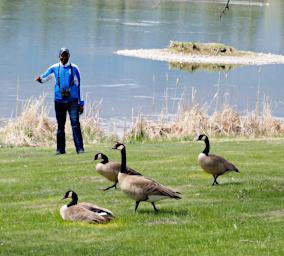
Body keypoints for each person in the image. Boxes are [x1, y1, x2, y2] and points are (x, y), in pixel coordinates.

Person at [35, 48, 84, 155]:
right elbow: (45, 77)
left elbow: (79, 85)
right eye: (62, 55)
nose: (63, 58)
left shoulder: (75, 68)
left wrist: (81, 103)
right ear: (59, 56)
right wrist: (39, 79)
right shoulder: (54, 68)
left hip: (73, 102)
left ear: (69, 56)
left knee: (75, 124)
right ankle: (60, 150)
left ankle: (80, 149)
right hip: (59, 101)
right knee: (60, 125)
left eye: (65, 55)